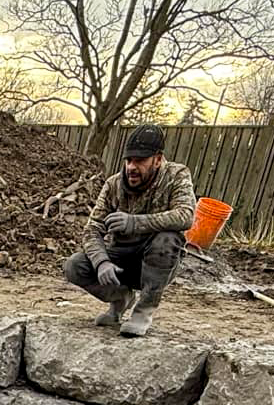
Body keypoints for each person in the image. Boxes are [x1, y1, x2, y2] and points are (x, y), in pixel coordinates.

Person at [62, 125, 197, 337]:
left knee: (168, 239)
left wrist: (135, 223)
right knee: (74, 266)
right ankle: (120, 298)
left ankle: (143, 312)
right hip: (121, 260)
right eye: (129, 160)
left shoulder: (176, 175)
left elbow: (185, 216)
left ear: (158, 159)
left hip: (157, 261)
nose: (132, 167)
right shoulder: (113, 185)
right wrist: (102, 262)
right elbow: (92, 228)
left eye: (140, 161)